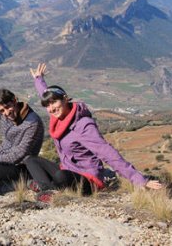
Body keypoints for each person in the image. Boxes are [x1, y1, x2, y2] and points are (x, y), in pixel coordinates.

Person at [27, 63, 163, 198]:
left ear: (65, 98)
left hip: (88, 179)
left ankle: (48, 188)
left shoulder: (83, 125)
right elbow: (45, 95)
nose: (50, 108)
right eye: (47, 105)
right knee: (31, 160)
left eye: (54, 103)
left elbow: (107, 152)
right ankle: (47, 192)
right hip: (68, 170)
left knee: (61, 176)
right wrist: (39, 79)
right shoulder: (58, 116)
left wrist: (138, 179)